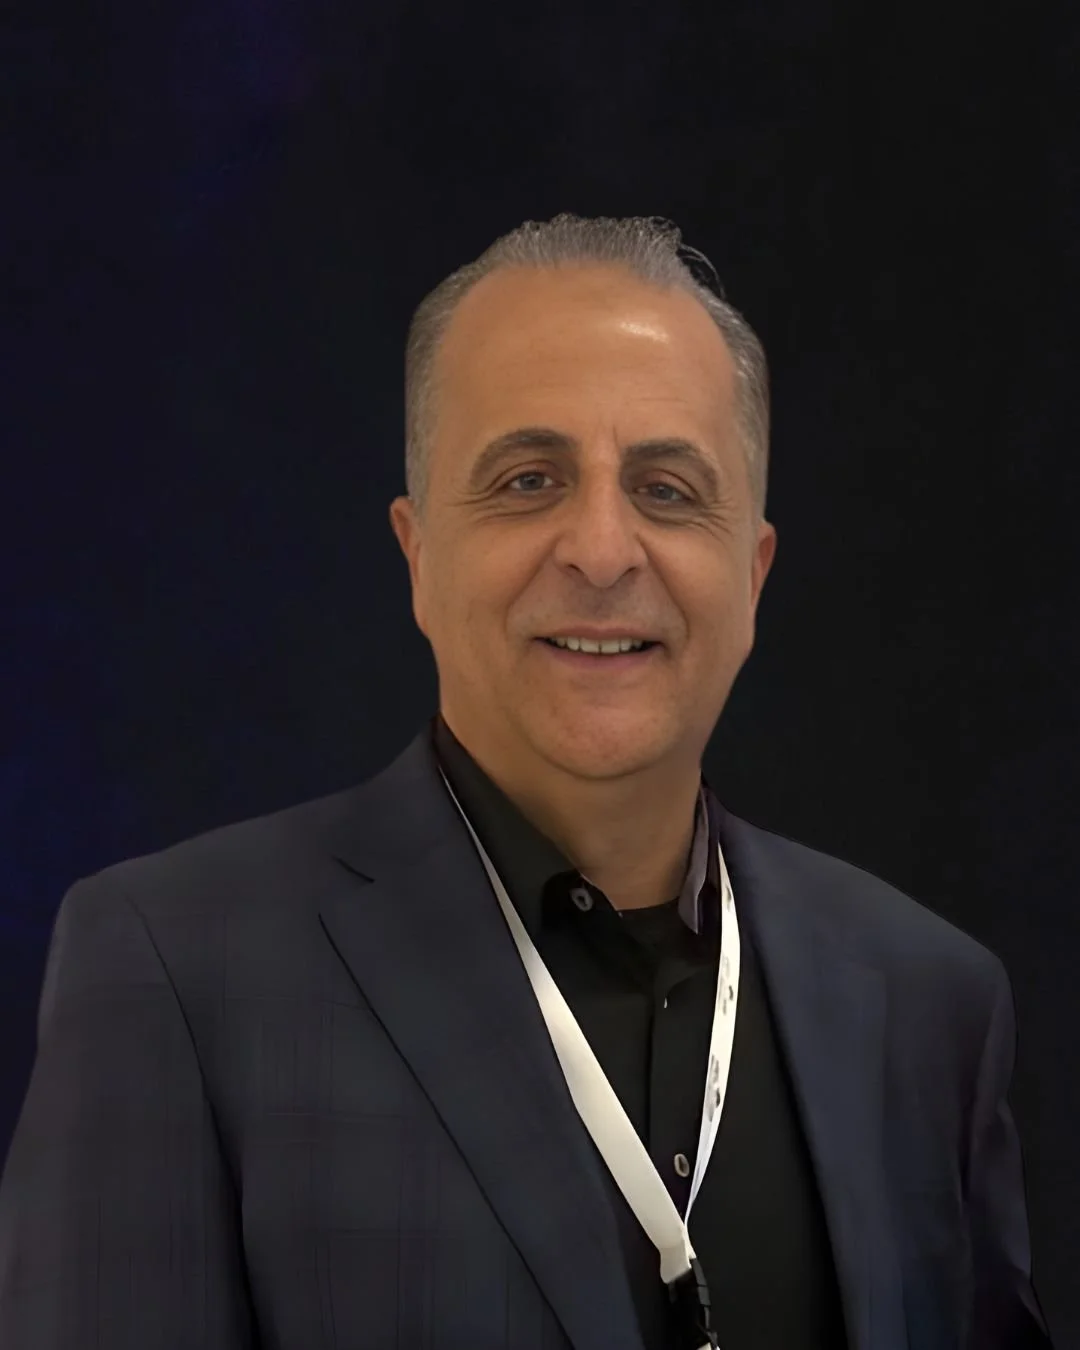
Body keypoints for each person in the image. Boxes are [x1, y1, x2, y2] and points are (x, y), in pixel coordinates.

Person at [0, 213, 1053, 1350]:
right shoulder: (177, 975)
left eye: (666, 489)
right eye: (528, 479)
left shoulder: (927, 1005)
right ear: (418, 556)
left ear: (752, 577)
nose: (601, 550)